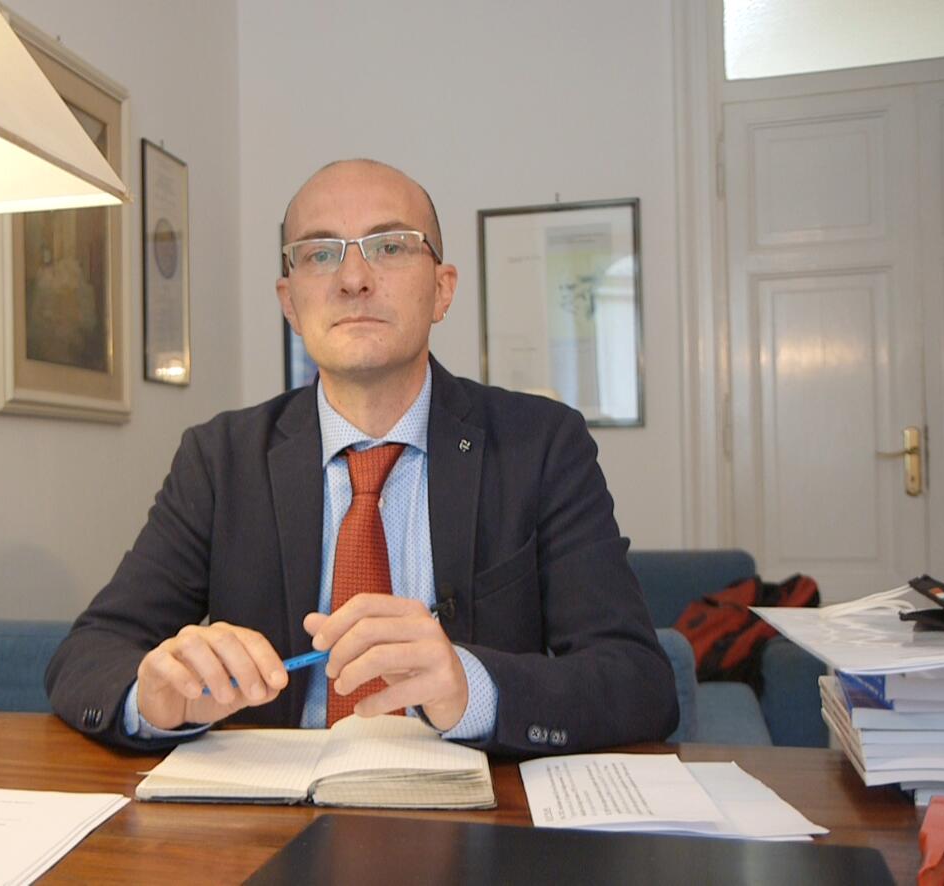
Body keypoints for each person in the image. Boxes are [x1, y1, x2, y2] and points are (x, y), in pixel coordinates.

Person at [45, 160, 676, 756]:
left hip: (477, 804)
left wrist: (472, 687)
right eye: (321, 253)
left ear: (442, 290)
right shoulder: (219, 460)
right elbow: (90, 652)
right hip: (273, 810)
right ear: (290, 303)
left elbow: (638, 681)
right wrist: (153, 698)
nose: (353, 279)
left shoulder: (541, 445)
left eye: (390, 246)